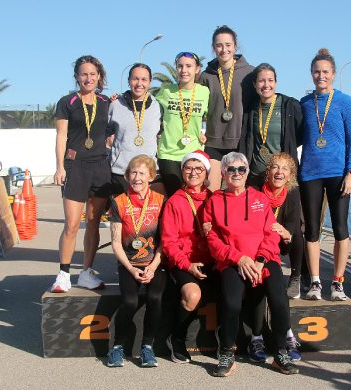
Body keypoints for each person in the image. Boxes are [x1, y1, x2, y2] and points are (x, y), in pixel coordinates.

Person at [204, 152, 299, 377]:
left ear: (247, 173)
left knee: (278, 299)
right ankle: (227, 352)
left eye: (241, 169)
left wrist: (259, 260)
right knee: (232, 302)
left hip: (263, 260)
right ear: (223, 173)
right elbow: (212, 240)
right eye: (231, 169)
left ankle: (281, 353)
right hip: (232, 261)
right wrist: (239, 259)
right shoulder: (214, 202)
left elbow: (272, 233)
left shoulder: (260, 199)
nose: (236, 174)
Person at [299, 48, 351, 301]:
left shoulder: (345, 102)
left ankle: (337, 281)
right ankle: (315, 281)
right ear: (311, 74)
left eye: (325, 71)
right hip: (310, 174)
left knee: (340, 229)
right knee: (311, 230)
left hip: (338, 174)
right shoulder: (304, 103)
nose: (320, 76)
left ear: (333, 74)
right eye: (316, 71)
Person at [51, 55, 111, 293]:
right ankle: (63, 274)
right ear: (77, 77)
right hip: (75, 167)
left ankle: (86, 272)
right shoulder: (68, 102)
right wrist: (59, 166)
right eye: (84, 74)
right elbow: (60, 136)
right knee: (72, 224)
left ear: (99, 76)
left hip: (100, 167)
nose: (89, 78)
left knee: (94, 223)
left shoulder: (107, 101)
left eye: (93, 74)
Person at [106, 155, 166, 368]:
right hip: (129, 264)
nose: (136, 178)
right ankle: (117, 346)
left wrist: (153, 266)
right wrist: (131, 269)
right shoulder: (119, 201)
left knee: (155, 297)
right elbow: (115, 243)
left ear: (151, 176)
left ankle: (147, 347)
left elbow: (164, 240)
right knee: (130, 301)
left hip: (154, 262)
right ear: (126, 176)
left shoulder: (160, 201)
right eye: (132, 172)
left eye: (141, 173)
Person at [161, 150, 217, 363]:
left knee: (235, 289)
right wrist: (187, 265)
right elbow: (169, 242)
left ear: (206, 173)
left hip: (212, 260)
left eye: (198, 169)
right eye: (188, 168)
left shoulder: (215, 198)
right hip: (184, 261)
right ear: (182, 171)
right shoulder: (175, 201)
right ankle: (177, 339)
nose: (193, 173)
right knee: (193, 295)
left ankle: (228, 341)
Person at [200, 25, 256, 191]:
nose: (224, 49)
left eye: (228, 45)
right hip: (214, 141)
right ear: (213, 48)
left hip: (240, 141)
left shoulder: (250, 73)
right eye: (219, 45)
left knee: (239, 194)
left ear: (235, 46)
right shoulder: (205, 76)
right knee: (211, 192)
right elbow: (197, 107)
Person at [241, 63, 303, 189]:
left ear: (275, 83)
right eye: (261, 81)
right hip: (256, 177)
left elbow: (300, 136)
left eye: (270, 80)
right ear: (255, 84)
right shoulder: (251, 108)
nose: (266, 85)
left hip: (281, 178)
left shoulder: (290, 106)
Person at [156, 52, 210, 197]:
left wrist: (204, 133)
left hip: (194, 152)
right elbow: (148, 108)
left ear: (197, 69)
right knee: (176, 195)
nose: (184, 70)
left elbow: (213, 117)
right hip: (168, 153)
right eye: (180, 66)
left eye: (188, 66)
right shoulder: (166, 91)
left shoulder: (204, 92)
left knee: (193, 196)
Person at [107, 63, 162, 196]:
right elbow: (103, 133)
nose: (139, 83)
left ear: (149, 82)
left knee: (149, 216)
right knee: (122, 216)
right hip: (121, 172)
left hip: (148, 173)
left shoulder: (158, 107)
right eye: (135, 79)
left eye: (144, 79)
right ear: (129, 81)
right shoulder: (115, 105)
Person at [263, 153, 305, 303]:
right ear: (268, 172)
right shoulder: (258, 191)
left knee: (298, 235)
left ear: (290, 175)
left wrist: (284, 232)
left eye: (285, 169)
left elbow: (292, 223)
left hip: (283, 236)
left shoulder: (293, 193)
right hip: (263, 237)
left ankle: (295, 276)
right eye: (275, 167)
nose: (280, 172)